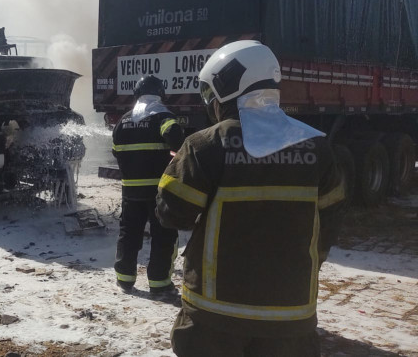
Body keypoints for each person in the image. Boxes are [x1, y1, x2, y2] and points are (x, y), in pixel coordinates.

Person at [155, 41, 346, 356]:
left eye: (210, 94)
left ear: (228, 87)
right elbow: (329, 222)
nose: (211, 104)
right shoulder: (319, 148)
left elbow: (171, 213)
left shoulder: (204, 146)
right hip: (290, 318)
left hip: (214, 318)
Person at [112, 74, 184, 296]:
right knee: (163, 236)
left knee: (129, 234)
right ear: (160, 94)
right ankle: (159, 283)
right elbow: (176, 136)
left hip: (130, 192)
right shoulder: (162, 116)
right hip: (157, 193)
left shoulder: (123, 121)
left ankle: (124, 279)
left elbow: (116, 150)